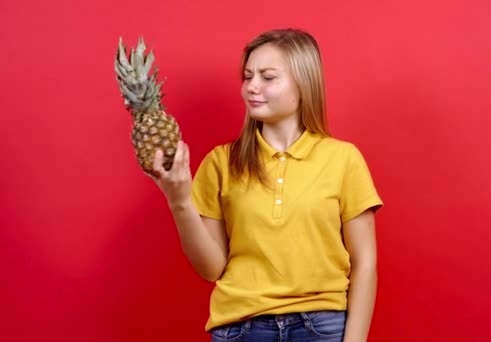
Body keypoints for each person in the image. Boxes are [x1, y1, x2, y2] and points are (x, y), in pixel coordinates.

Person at [149, 28, 383, 342]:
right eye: (248, 76)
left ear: (304, 83)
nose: (252, 87)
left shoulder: (343, 159)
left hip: (321, 327)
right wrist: (179, 202)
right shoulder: (221, 162)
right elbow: (211, 268)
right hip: (241, 328)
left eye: (268, 77)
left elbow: (365, 263)